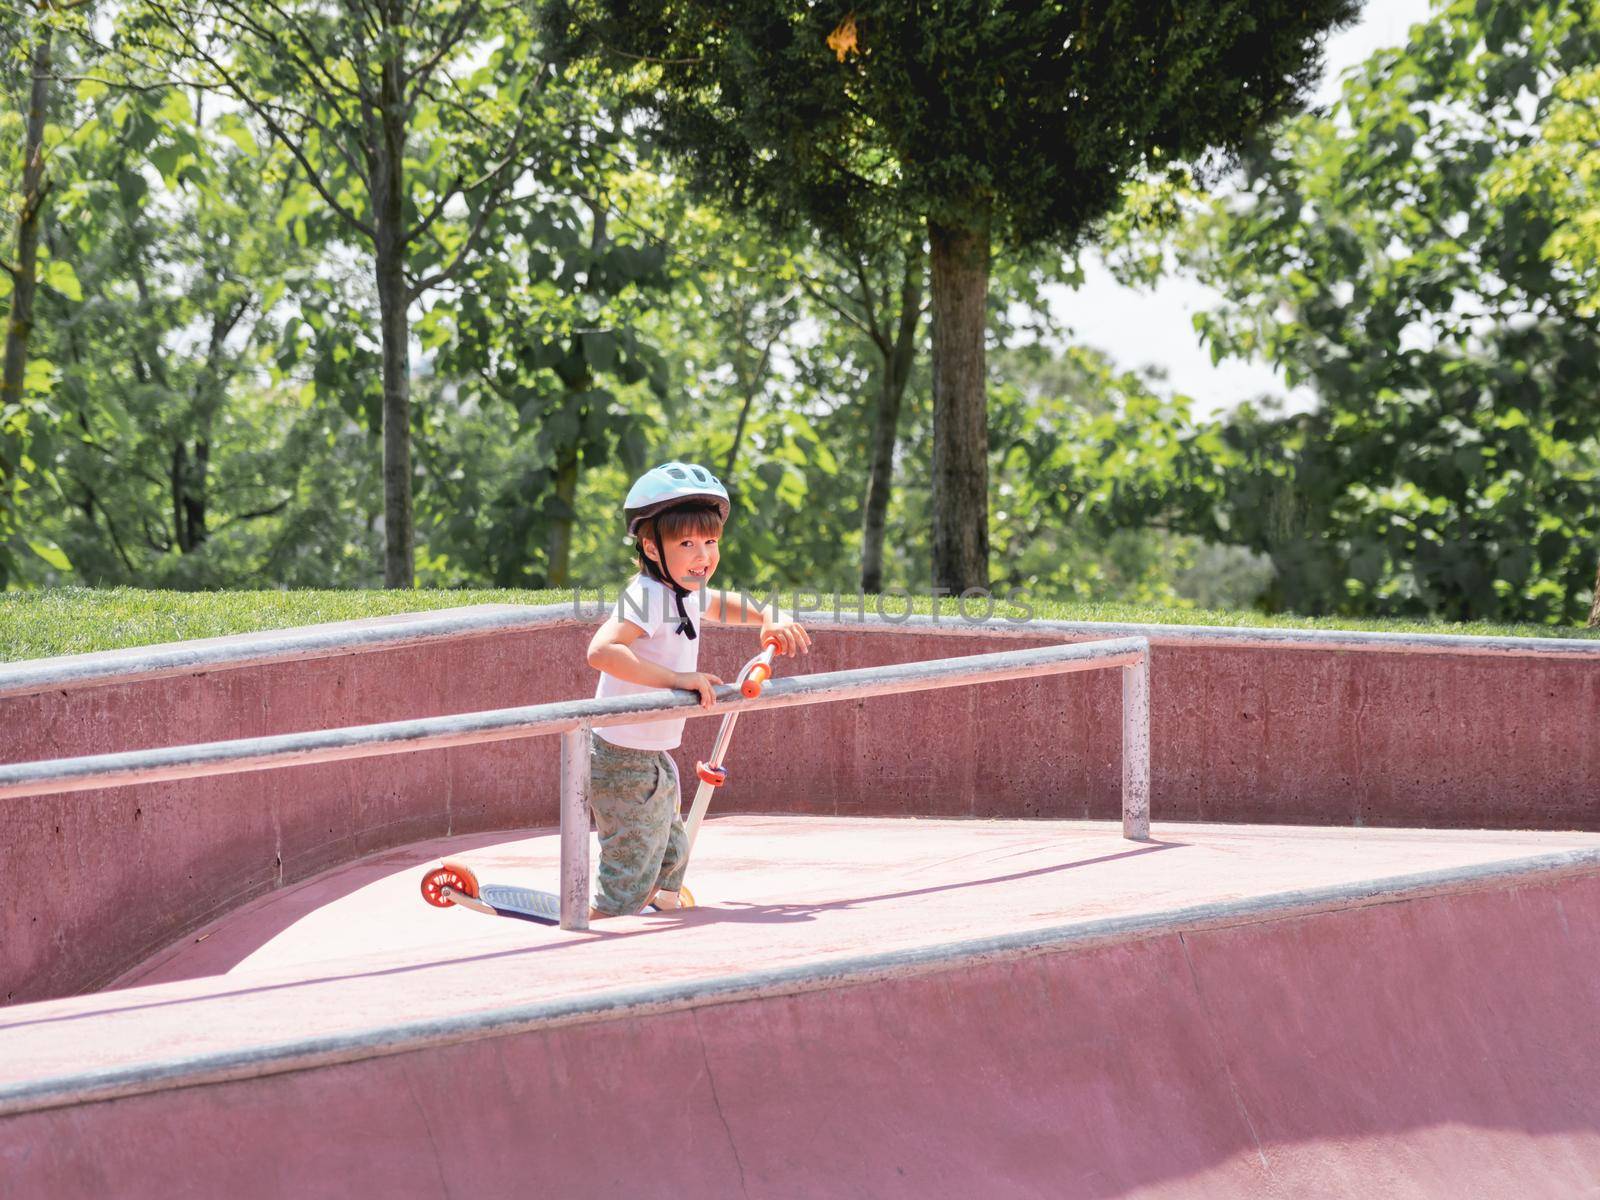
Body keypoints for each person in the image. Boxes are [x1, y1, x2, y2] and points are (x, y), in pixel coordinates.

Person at [585, 461, 811, 918]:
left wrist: (768, 614)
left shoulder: (683, 591)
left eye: (710, 542)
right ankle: (603, 919)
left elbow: (723, 605)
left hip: (650, 753)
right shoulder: (646, 594)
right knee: (630, 867)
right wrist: (678, 680)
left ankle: (660, 898)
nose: (702, 555)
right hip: (621, 756)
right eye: (686, 543)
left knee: (670, 855)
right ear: (652, 547)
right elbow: (602, 651)